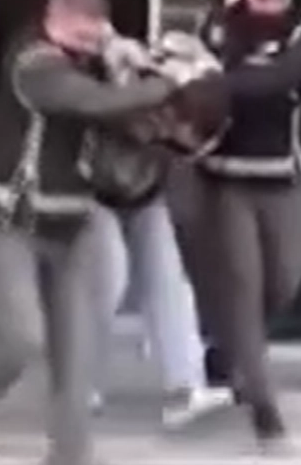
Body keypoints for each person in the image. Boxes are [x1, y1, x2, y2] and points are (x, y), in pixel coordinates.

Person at [0, 0, 178, 465]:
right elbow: (90, 102)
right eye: (80, 35)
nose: (89, 45)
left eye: (96, 36)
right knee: (22, 339)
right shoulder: (33, 61)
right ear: (54, 17)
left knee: (77, 363)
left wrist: (135, 66)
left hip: (71, 227)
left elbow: (129, 118)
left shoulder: (98, 61)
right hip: (1, 224)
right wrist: (166, 83)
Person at [195, 0, 301, 448]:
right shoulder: (216, 28)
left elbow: (281, 79)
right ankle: (263, 405)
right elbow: (191, 76)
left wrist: (224, 82)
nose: (269, 7)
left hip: (282, 177)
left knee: (285, 281)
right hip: (226, 180)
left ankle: (231, 346)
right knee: (242, 285)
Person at [88, 31, 233, 428]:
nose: (176, 139)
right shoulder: (131, 83)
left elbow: (196, 139)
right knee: (107, 277)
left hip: (143, 192)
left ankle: (185, 386)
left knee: (168, 281)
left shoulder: (197, 91)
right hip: (93, 190)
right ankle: (76, 381)